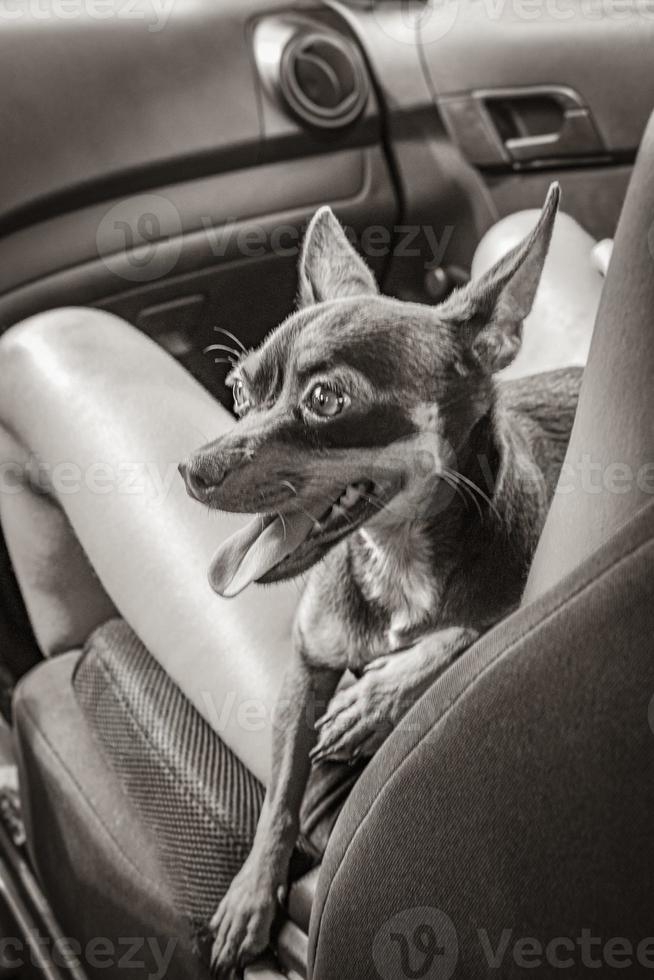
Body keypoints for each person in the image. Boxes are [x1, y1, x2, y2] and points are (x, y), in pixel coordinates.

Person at [0, 135, 649, 790]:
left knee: (39, 351)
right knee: (530, 231)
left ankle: (76, 697)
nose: (206, 467)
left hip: (395, 773)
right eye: (243, 391)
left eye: (325, 398)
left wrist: (460, 643)